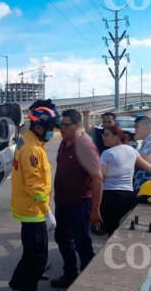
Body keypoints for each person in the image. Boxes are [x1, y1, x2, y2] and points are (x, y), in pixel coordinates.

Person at [9, 101, 61, 291]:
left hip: (27, 207)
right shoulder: (32, 149)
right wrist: (47, 213)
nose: (52, 132)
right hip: (34, 211)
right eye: (49, 128)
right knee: (38, 257)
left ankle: (17, 282)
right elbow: (34, 184)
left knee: (30, 252)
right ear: (38, 127)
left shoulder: (28, 140)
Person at [51, 109, 103, 288]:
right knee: (63, 238)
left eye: (65, 125)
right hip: (63, 203)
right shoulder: (64, 142)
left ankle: (88, 281)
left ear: (77, 125)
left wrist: (95, 210)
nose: (61, 128)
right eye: (60, 125)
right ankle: (70, 274)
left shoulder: (85, 146)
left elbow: (97, 179)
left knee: (82, 243)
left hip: (80, 204)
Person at [99, 125, 151, 236]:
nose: (103, 137)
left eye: (107, 135)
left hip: (110, 196)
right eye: (103, 135)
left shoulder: (107, 153)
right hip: (128, 195)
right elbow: (145, 165)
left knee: (111, 229)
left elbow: (101, 177)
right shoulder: (131, 150)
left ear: (117, 136)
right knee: (122, 227)